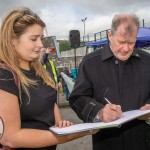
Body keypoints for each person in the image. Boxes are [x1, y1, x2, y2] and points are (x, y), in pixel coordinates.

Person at [0, 7, 96, 150]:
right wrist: (70, 135)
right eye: (34, 39)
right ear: (13, 40)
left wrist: (62, 125)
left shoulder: (42, 72)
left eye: (41, 39)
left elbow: (51, 109)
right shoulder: (5, 76)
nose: (40, 45)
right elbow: (10, 137)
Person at [69, 13, 150, 150]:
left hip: (142, 140)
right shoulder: (90, 63)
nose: (126, 49)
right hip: (107, 142)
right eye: (121, 42)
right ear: (110, 35)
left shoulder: (147, 60)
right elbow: (77, 98)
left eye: (131, 43)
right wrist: (99, 112)